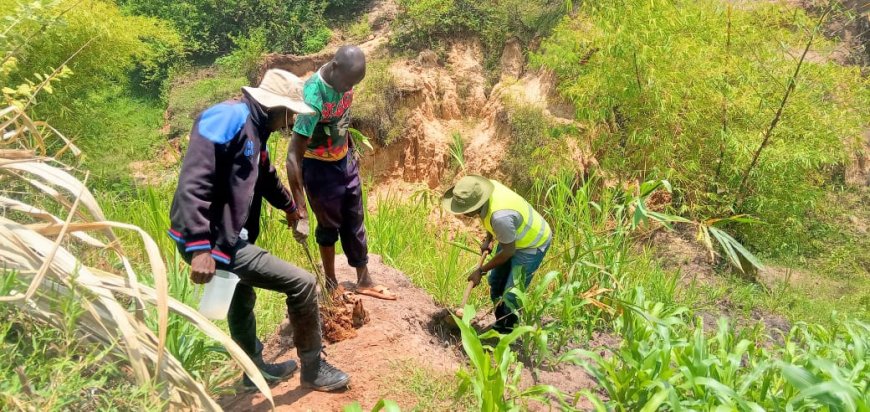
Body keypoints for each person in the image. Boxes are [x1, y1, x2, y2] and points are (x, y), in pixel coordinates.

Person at [168, 69, 349, 392]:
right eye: (291, 114)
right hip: (211, 242)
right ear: (276, 107)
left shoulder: (256, 129)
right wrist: (199, 248)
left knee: (241, 297)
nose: (292, 121)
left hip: (228, 238)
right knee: (302, 284)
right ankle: (313, 369)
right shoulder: (226, 117)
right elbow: (193, 181)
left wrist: (291, 209)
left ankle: (254, 372)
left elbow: (265, 175)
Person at [286, 45, 396, 300]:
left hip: (344, 159)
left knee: (354, 219)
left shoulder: (345, 80)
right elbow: (293, 155)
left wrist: (349, 151)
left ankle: (363, 279)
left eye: (353, 85)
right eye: (346, 83)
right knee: (328, 226)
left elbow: (342, 120)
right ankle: (331, 283)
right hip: (318, 168)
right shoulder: (313, 96)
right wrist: (300, 207)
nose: (348, 89)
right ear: (334, 67)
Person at [441, 175, 552, 333]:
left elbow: (508, 251)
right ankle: (500, 322)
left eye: (465, 210)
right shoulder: (486, 191)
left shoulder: (501, 217)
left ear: (476, 205)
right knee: (496, 281)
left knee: (511, 294)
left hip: (532, 244)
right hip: (511, 237)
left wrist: (480, 271)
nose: (463, 213)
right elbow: (491, 217)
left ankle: (506, 333)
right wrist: (489, 238)